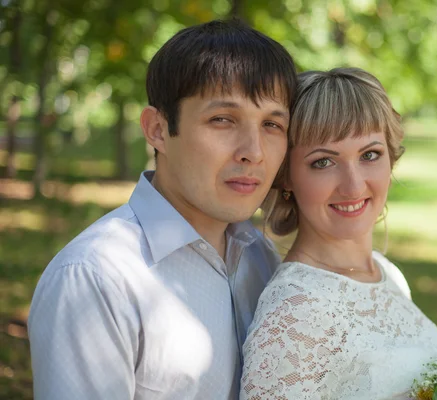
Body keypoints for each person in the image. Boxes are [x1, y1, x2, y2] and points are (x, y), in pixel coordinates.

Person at [28, 19, 297, 400]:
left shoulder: (261, 258)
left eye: (272, 123)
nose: (253, 151)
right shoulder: (96, 279)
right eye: (223, 119)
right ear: (157, 129)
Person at [240, 68, 437, 399]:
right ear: (285, 176)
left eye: (370, 155)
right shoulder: (296, 314)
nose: (353, 186)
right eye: (323, 162)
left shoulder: (388, 274)